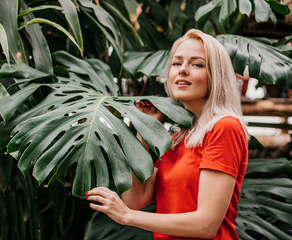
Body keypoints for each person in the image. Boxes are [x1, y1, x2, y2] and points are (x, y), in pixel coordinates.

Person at [85, 29, 249, 240]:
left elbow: (206, 224)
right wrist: (144, 127)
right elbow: (136, 198)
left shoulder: (224, 127)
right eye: (176, 63)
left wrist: (127, 216)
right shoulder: (177, 137)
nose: (183, 70)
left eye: (196, 64)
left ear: (215, 75)